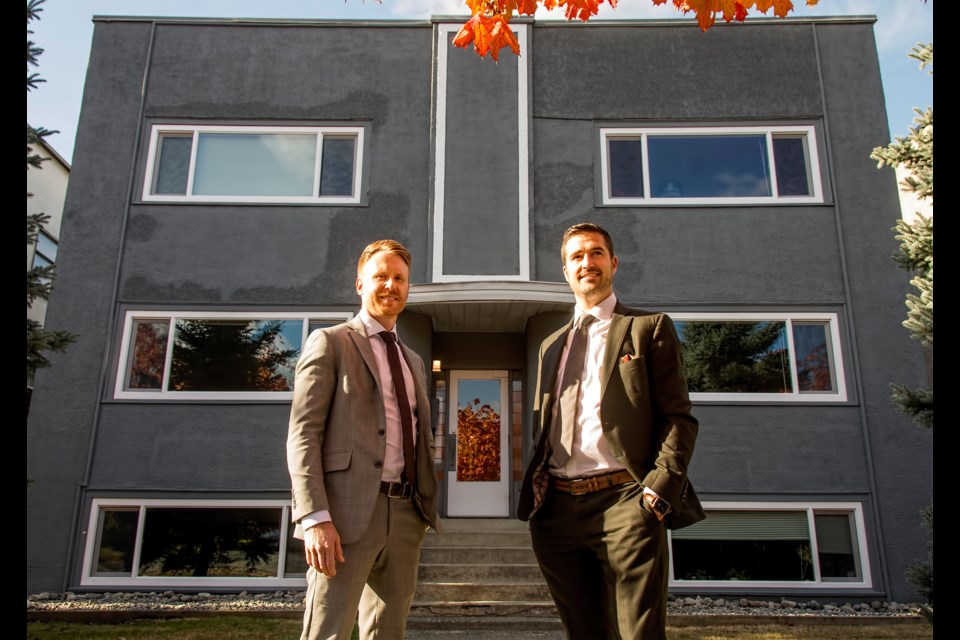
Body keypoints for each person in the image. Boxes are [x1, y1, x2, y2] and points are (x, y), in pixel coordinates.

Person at [518, 222, 703, 639]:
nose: (588, 262)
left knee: (637, 632)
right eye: (577, 256)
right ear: (565, 271)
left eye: (596, 253)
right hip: (558, 512)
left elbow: (679, 417)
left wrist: (658, 489)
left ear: (613, 263)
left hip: (626, 501)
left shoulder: (647, 327)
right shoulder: (551, 345)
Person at [287, 239, 440, 640]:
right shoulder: (331, 342)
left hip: (406, 514)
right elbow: (303, 434)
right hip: (344, 515)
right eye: (381, 277)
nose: (391, 285)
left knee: (388, 632)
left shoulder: (414, 361)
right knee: (328, 631)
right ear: (359, 284)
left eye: (400, 279)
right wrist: (315, 517)